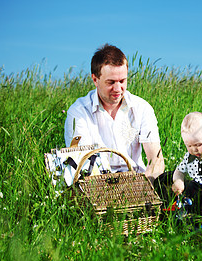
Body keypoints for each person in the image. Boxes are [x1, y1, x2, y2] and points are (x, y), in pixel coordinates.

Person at [64, 44, 164, 184]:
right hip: (97, 184)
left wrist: (146, 188)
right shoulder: (79, 112)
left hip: (137, 183)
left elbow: (156, 159)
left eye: (122, 81)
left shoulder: (142, 108)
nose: (118, 89)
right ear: (95, 79)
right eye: (111, 82)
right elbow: (82, 163)